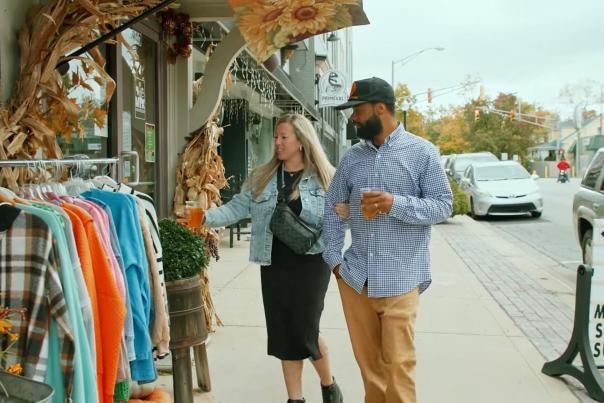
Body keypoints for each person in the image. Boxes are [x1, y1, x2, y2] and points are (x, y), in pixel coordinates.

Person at [323, 77, 453, 403]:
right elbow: (331, 206)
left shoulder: (422, 152)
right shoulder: (352, 158)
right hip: (356, 278)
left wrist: (395, 203)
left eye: (358, 110)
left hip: (402, 277)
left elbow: (443, 205)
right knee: (371, 372)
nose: (352, 117)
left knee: (398, 367)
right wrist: (335, 260)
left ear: (380, 108)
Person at [203, 113, 343, 403]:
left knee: (305, 328)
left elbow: (341, 219)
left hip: (311, 262)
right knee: (283, 330)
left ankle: (329, 385)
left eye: (284, 137)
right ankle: (295, 399)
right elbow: (236, 209)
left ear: (301, 142)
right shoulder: (262, 176)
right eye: (276, 137)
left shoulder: (326, 177)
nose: (277, 142)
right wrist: (203, 218)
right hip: (275, 262)